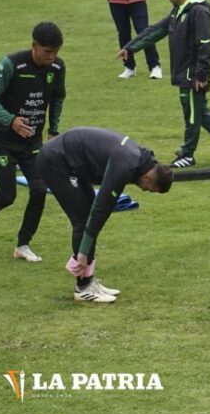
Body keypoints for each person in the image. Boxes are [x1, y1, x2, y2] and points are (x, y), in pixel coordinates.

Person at [118, 0, 210, 168]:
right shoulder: (178, 11)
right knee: (199, 110)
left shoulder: (198, 12)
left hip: (192, 74)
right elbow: (156, 30)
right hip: (185, 72)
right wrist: (130, 47)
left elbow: (205, 45)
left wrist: (201, 75)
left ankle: (187, 154)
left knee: (192, 114)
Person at [37, 127, 173, 303]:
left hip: (74, 162)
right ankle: (83, 288)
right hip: (55, 161)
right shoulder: (125, 167)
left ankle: (88, 280)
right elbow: (100, 209)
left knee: (87, 216)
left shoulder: (142, 160)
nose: (145, 190)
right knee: (82, 219)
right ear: (148, 178)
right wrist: (83, 252)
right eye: (150, 189)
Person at [0, 22, 66, 263]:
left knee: (40, 189)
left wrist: (53, 130)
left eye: (56, 52)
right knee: (6, 195)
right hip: (2, 138)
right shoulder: (12, 63)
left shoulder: (57, 67)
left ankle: (23, 244)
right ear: (34, 46)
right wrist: (10, 120)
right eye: (47, 52)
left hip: (31, 140)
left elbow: (58, 97)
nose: (51, 57)